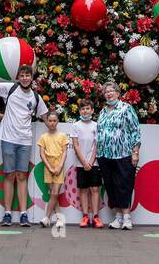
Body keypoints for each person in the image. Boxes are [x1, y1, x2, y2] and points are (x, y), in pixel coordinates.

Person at [0, 64, 48, 226]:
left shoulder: (36, 97)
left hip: (25, 141)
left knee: (21, 176)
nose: (25, 78)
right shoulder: (10, 88)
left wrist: (55, 132)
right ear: (18, 77)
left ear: (31, 78)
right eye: (22, 75)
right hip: (8, 139)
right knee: (9, 175)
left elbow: (46, 116)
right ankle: (7, 214)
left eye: (28, 75)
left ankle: (23, 214)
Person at [96, 80, 140, 230]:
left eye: (111, 91)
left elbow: (135, 131)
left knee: (124, 185)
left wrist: (135, 152)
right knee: (111, 186)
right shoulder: (102, 112)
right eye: (106, 92)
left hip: (123, 154)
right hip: (104, 155)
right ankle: (118, 217)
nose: (108, 94)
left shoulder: (126, 108)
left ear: (117, 93)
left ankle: (127, 218)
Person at [70, 98, 102, 228]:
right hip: (81, 163)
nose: (85, 111)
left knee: (95, 189)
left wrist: (90, 161)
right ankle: (85, 217)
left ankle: (95, 217)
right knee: (83, 190)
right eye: (83, 109)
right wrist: (84, 162)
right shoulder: (75, 126)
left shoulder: (96, 125)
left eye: (88, 108)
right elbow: (76, 145)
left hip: (94, 164)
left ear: (92, 110)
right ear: (79, 111)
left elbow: (96, 145)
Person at [37, 111, 68, 227]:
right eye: (50, 121)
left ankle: (47, 217)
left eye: (54, 121)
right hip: (48, 167)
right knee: (52, 194)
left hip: (58, 166)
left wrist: (59, 167)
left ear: (58, 121)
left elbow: (65, 152)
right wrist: (49, 167)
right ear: (47, 121)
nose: (52, 123)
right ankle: (59, 218)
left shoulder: (62, 136)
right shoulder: (43, 137)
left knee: (55, 193)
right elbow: (42, 154)